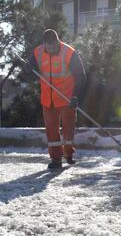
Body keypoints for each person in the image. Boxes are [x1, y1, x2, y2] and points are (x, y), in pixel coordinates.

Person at [28, 29, 86, 169]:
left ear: (58, 41)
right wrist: (27, 69)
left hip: (67, 98)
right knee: (51, 130)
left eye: (54, 46)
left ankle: (68, 155)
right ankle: (55, 159)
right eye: (49, 47)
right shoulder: (38, 52)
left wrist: (76, 96)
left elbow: (81, 76)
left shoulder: (69, 53)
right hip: (48, 100)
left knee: (68, 130)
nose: (52, 49)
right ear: (44, 45)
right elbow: (30, 71)